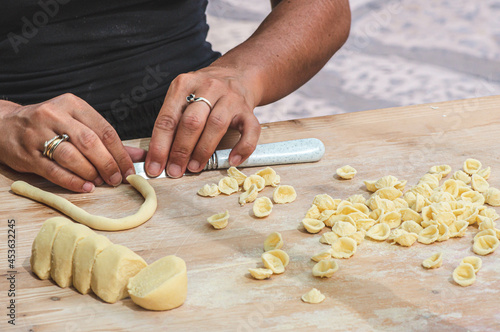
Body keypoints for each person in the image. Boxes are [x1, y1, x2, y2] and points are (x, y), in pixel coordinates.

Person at [0, 0, 351, 193]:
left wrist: (240, 76)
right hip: (21, 151)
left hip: (198, 127)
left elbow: (325, 8)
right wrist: (5, 120)